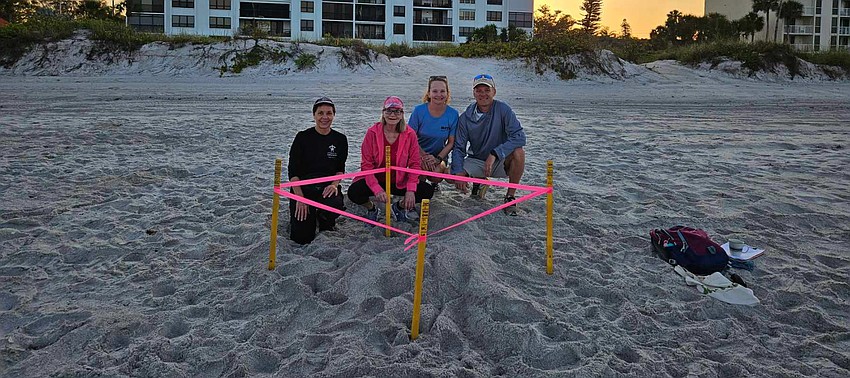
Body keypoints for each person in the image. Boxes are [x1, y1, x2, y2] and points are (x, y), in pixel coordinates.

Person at [347, 96, 435, 223]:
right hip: (376, 179)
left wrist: (410, 190)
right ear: (383, 113)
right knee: (353, 192)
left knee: (427, 191)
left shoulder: (410, 134)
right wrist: (376, 189)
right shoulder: (372, 133)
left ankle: (399, 207)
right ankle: (372, 209)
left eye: (397, 111)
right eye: (389, 111)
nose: (392, 115)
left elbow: (415, 164)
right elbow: (366, 165)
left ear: (402, 114)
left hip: (399, 180)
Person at [451, 74, 526, 216]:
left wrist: (495, 153)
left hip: (500, 160)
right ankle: (479, 181)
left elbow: (519, 137)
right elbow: (459, 147)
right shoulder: (465, 117)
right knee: (450, 175)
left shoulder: (503, 109)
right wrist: (459, 171)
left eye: (487, 90)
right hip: (477, 159)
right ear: (474, 93)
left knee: (519, 152)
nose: (483, 94)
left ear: (494, 92)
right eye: (479, 90)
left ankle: (510, 196)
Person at [286, 97, 348, 244]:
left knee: (334, 203)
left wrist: (334, 185)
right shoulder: (302, 137)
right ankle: (308, 216)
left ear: (334, 115)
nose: (325, 117)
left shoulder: (340, 139)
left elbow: (340, 170)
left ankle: (324, 218)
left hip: (326, 187)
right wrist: (300, 198)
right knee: (302, 238)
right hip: (303, 188)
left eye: (329, 113)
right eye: (320, 113)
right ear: (314, 115)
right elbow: (293, 173)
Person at [407, 75, 459, 189]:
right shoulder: (419, 111)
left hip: (439, 156)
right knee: (421, 170)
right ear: (429, 93)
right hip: (418, 153)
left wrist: (438, 159)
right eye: (435, 91)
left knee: (436, 175)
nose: (439, 95)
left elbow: (451, 143)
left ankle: (434, 184)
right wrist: (423, 156)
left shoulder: (453, 114)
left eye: (442, 91)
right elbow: (410, 137)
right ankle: (418, 187)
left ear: (447, 93)